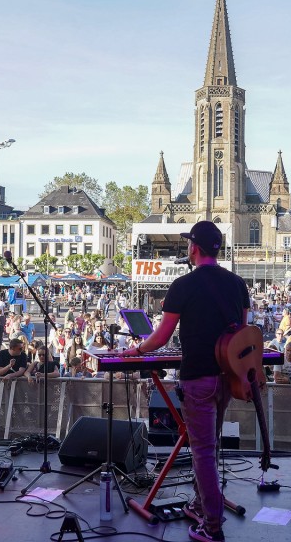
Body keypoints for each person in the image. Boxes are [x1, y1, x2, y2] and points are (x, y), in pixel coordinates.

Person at [119, 221, 246, 542]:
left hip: (198, 378)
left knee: (202, 450)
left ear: (193, 248)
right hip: (226, 378)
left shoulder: (183, 285)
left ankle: (212, 526)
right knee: (211, 444)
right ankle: (202, 504)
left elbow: (159, 338)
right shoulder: (237, 284)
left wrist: (135, 350)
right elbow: (240, 334)